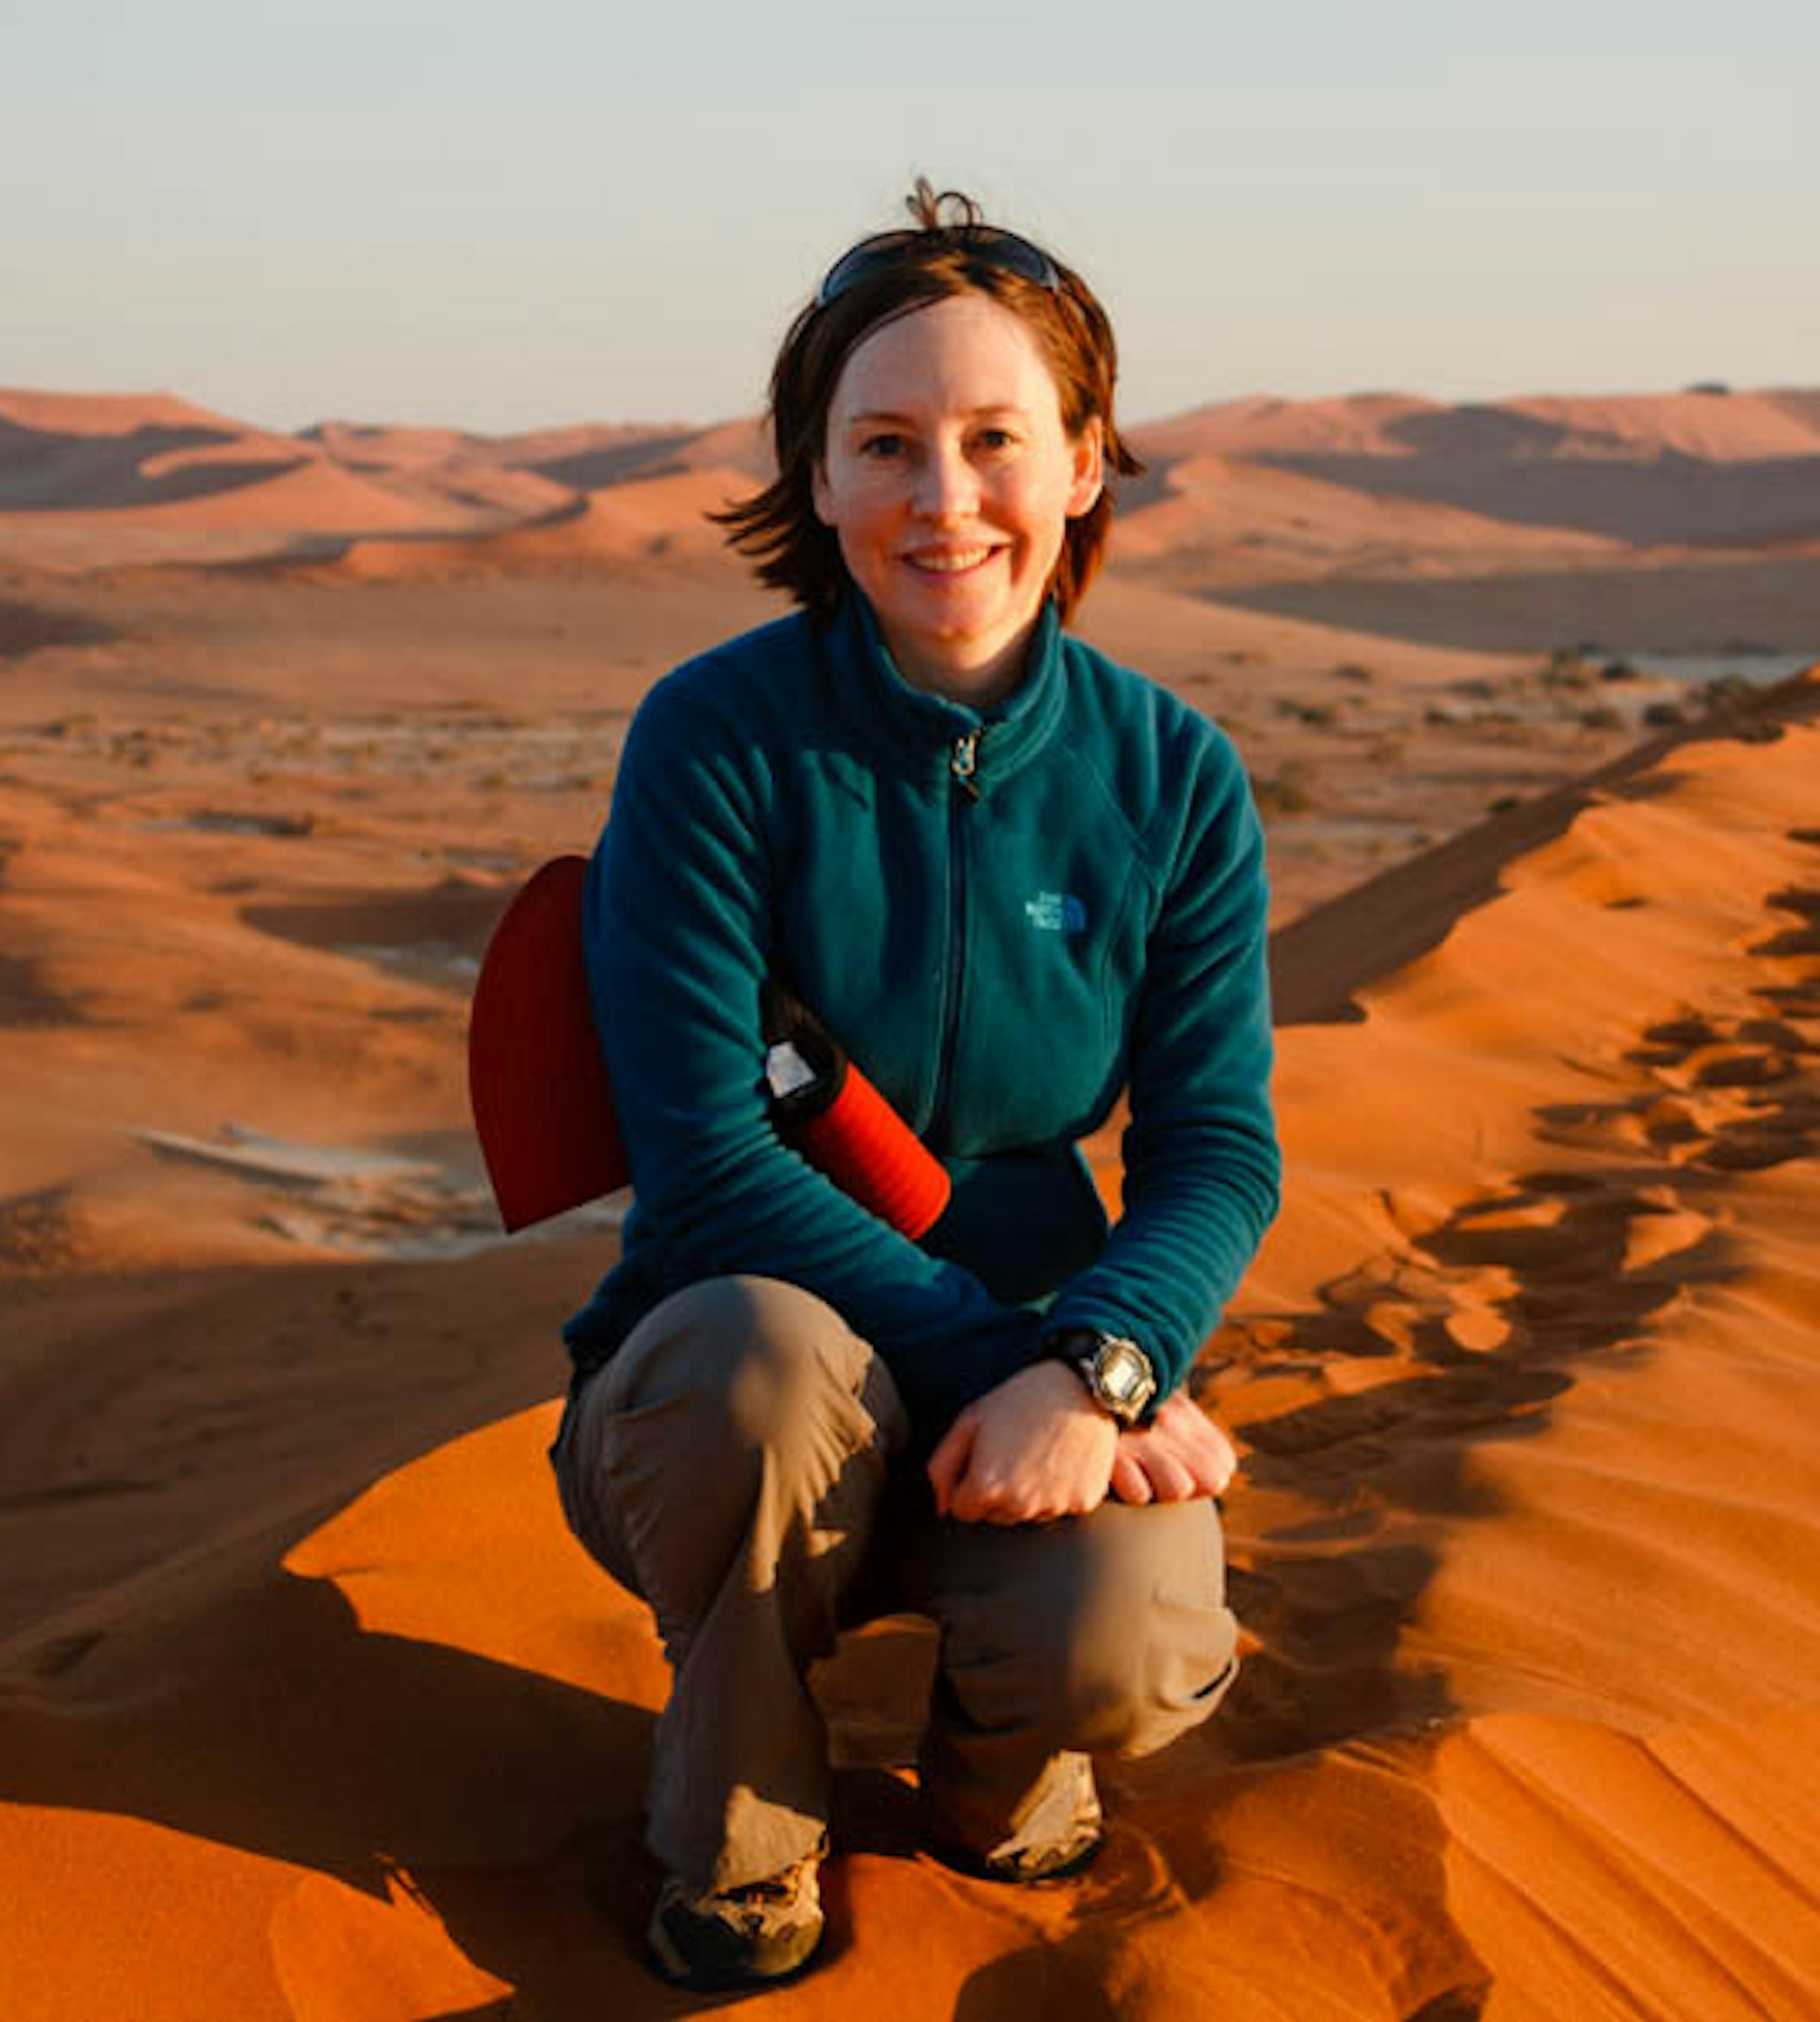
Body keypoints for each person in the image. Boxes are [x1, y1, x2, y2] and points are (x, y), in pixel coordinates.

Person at [550, 180, 1277, 1992]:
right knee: (756, 1365)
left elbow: (1215, 1147)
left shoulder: (1173, 777)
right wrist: (1013, 1361)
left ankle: (990, 1766)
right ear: (816, 477)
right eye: (886, 444)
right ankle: (741, 1826)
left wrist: (1106, 1360)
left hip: (1040, 1379)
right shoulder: (717, 740)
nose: (944, 501)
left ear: (1087, 463)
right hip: (739, 1376)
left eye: (991, 440)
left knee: (1133, 1635)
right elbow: (709, 1158)